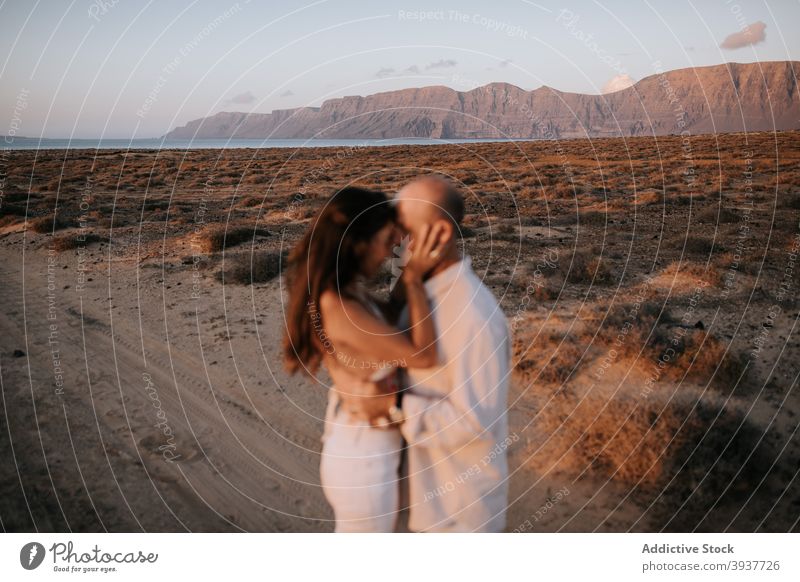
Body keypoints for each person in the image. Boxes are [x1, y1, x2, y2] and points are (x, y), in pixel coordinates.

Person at [282, 186, 446, 532]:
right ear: (358, 241)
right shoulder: (338, 306)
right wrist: (414, 278)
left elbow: (389, 315)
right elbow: (422, 354)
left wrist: (407, 264)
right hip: (363, 461)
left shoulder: (347, 292)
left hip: (367, 448)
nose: (390, 251)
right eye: (386, 239)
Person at [358, 176, 512, 532]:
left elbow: (476, 421)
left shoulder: (474, 316)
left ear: (440, 235)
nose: (393, 240)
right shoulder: (422, 296)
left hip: (457, 513)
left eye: (403, 229)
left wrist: (394, 404)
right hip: (421, 503)